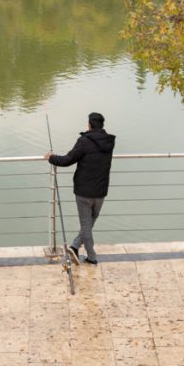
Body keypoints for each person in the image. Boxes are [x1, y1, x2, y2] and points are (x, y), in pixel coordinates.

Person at [44, 112, 115, 265]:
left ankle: (92, 257)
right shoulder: (109, 142)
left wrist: (51, 157)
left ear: (89, 124)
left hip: (84, 191)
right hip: (101, 191)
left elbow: (67, 160)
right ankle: (75, 247)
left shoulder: (84, 141)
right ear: (102, 125)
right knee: (90, 222)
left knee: (86, 224)